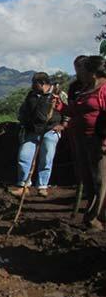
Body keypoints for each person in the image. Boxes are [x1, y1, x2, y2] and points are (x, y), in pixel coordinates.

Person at [63, 55, 106, 229]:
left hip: (98, 140)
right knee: (87, 179)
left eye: (83, 71)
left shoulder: (103, 90)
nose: (80, 74)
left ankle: (94, 219)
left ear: (93, 73)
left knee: (100, 180)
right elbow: (75, 110)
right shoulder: (87, 88)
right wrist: (60, 106)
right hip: (82, 139)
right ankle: (91, 215)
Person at [9, 72, 64, 198]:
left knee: (46, 158)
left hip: (50, 131)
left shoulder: (58, 94)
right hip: (32, 131)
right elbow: (23, 109)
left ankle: (42, 186)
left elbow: (68, 110)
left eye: (34, 83)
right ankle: (24, 186)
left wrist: (63, 125)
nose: (32, 86)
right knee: (24, 156)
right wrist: (23, 121)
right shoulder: (32, 95)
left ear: (42, 84)